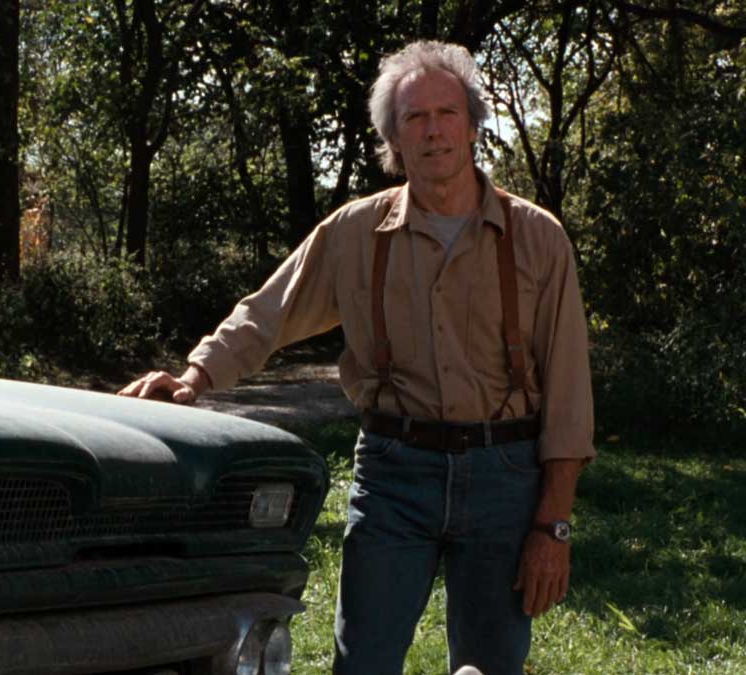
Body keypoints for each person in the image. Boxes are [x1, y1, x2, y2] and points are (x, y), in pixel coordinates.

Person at [119, 40, 594, 675]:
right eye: (413, 117)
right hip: (395, 474)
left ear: (475, 123)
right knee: (362, 661)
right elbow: (268, 312)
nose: (432, 131)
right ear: (394, 138)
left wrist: (553, 526)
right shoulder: (355, 233)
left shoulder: (538, 237)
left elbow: (568, 394)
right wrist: (195, 376)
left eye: (446, 113)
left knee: (492, 665)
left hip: (505, 478)